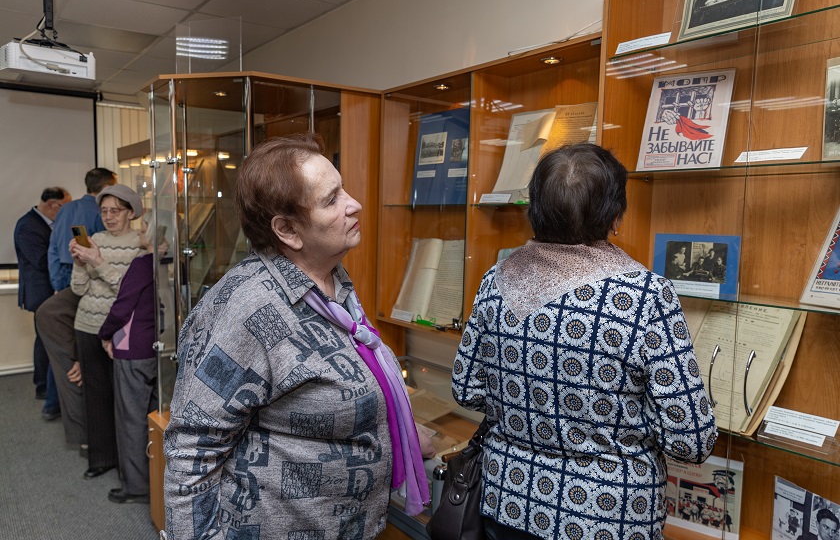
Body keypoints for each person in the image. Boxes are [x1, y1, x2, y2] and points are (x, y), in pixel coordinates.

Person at [163, 133, 432, 540]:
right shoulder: (250, 309)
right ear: (287, 230)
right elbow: (191, 452)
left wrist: (395, 429)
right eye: (332, 199)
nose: (354, 204)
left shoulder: (330, 280)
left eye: (343, 189)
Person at [451, 143, 717, 540]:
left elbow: (467, 390)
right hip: (607, 518)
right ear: (616, 217)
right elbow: (691, 439)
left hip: (507, 504)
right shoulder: (645, 296)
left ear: (534, 210)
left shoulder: (496, 280)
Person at [36, 168, 116, 451]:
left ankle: (52, 403)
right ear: (107, 187)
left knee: (59, 352)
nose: (110, 215)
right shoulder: (97, 214)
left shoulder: (66, 210)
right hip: (86, 278)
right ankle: (77, 367)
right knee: (79, 345)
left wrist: (57, 285)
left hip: (63, 278)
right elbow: (97, 258)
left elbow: (51, 249)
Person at [70, 183, 145, 479]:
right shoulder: (95, 240)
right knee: (95, 395)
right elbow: (79, 289)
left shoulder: (141, 244)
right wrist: (80, 263)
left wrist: (98, 262)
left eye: (116, 211)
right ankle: (101, 458)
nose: (109, 216)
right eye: (104, 211)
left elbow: (129, 291)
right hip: (87, 324)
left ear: (130, 213)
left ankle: (130, 463)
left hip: (120, 328)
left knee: (125, 399)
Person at [97, 211, 161, 503]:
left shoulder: (141, 264)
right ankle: (157, 479)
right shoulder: (173, 262)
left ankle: (136, 487)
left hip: (132, 348)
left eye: (144, 228)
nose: (140, 232)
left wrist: (104, 334)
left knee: (131, 420)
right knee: (156, 417)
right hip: (160, 349)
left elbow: (122, 308)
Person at [14, 187, 70, 415]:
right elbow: (39, 260)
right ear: (52, 205)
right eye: (65, 206)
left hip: (50, 290)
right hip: (40, 292)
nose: (67, 211)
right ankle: (42, 386)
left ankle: (47, 386)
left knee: (46, 338)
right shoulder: (27, 225)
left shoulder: (49, 224)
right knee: (44, 339)